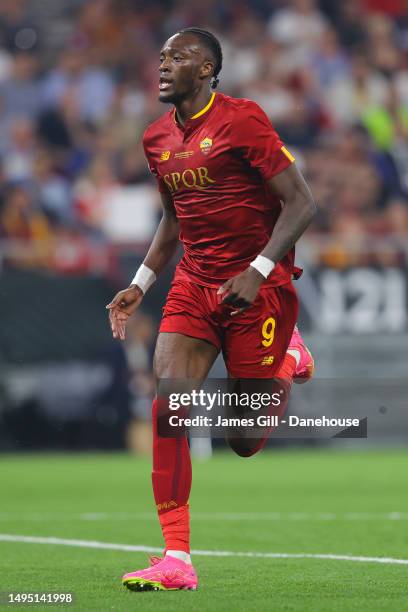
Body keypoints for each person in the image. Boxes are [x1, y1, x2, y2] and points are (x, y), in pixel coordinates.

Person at [106, 27, 316, 592]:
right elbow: (174, 220)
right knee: (169, 405)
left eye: (180, 57)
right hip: (194, 286)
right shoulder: (156, 139)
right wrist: (141, 283)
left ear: (207, 70)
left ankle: (287, 360)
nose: (165, 64)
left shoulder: (243, 119)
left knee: (243, 441)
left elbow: (302, 202)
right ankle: (176, 558)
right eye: (162, 56)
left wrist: (261, 269)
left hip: (256, 289)